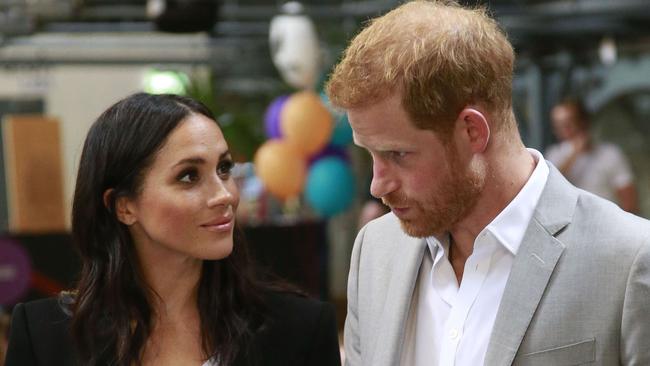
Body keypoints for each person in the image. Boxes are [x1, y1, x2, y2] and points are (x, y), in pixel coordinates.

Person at [325, 1, 650, 366]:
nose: (377, 185)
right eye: (369, 154)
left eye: (398, 154)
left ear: (472, 131)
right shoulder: (374, 250)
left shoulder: (630, 260)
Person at [5, 93, 341, 366]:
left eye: (223, 169)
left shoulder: (300, 331)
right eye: (189, 176)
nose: (225, 194)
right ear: (123, 206)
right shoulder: (45, 338)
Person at [546, 99, 639, 213]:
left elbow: (628, 198)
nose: (564, 131)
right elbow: (549, 187)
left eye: (568, 124)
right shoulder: (554, 155)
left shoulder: (610, 154)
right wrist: (574, 153)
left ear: (583, 122)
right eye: (558, 126)